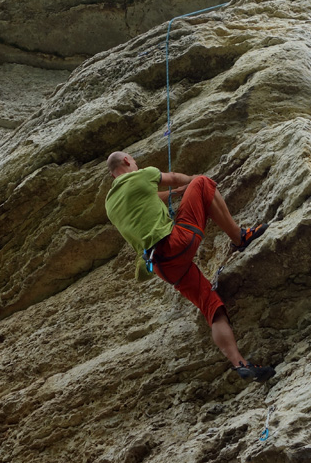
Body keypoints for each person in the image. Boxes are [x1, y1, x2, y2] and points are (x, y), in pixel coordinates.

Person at [105, 151, 273, 382]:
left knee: (211, 306)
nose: (136, 163)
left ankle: (240, 364)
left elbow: (148, 197)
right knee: (202, 183)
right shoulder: (144, 174)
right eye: (133, 160)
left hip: (162, 266)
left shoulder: (111, 203)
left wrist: (175, 195)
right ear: (127, 161)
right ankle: (239, 237)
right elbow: (175, 177)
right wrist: (191, 182)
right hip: (176, 244)